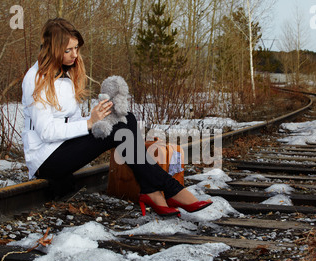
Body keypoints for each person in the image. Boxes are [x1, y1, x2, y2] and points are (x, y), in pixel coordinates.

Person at [21, 18, 212, 217]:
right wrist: (90, 122)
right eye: (68, 50)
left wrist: (99, 116)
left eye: (76, 48)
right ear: (52, 48)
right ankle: (167, 188)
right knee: (119, 129)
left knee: (124, 118)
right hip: (47, 159)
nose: (75, 55)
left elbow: (70, 121)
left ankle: (153, 190)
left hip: (64, 146)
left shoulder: (64, 74)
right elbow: (46, 132)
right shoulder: (36, 79)